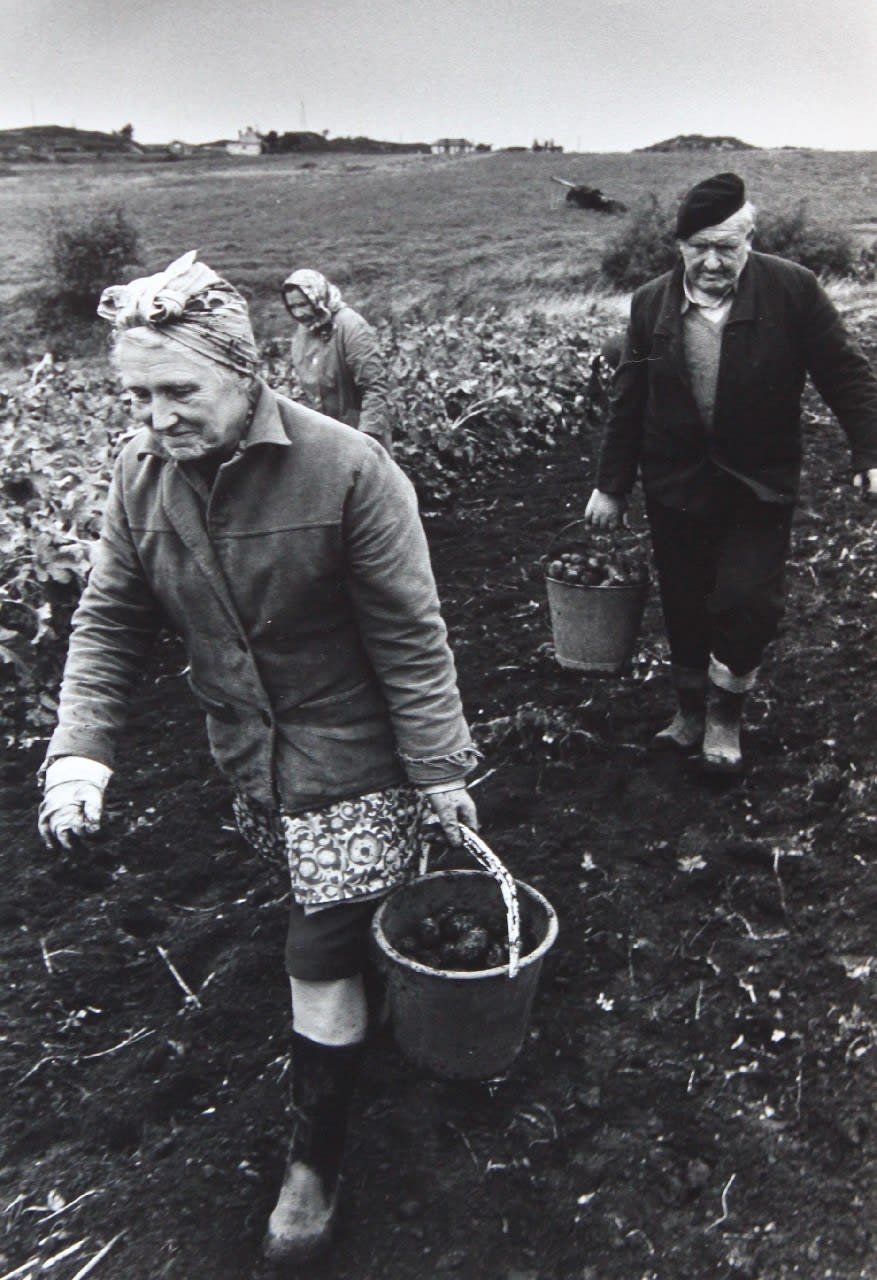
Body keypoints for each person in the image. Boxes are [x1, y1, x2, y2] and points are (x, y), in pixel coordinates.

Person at [37, 251, 478, 1265]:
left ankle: (313, 1164)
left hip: (352, 755)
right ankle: (372, 956)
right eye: (137, 394)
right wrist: (80, 753)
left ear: (246, 374)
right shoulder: (138, 477)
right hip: (248, 755)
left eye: (178, 391)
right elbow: (109, 619)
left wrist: (441, 770)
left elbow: (411, 636)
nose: (154, 418)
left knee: (315, 948)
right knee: (330, 913)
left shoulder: (351, 470)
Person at [585, 173, 877, 773]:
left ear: (750, 241)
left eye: (728, 246)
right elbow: (628, 400)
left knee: (749, 604)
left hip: (758, 481)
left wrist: (870, 453)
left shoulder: (793, 290)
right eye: (701, 247)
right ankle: (690, 712)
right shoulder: (649, 304)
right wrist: (610, 486)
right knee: (685, 602)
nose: (713, 261)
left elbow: (845, 375)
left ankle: (725, 716)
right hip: (678, 485)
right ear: (681, 246)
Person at [281, 267, 392, 453]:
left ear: (317, 297)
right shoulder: (304, 331)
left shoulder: (351, 326)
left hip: (358, 435)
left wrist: (367, 439)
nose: (298, 313)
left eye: (303, 304)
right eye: (292, 307)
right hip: (325, 436)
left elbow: (374, 387)